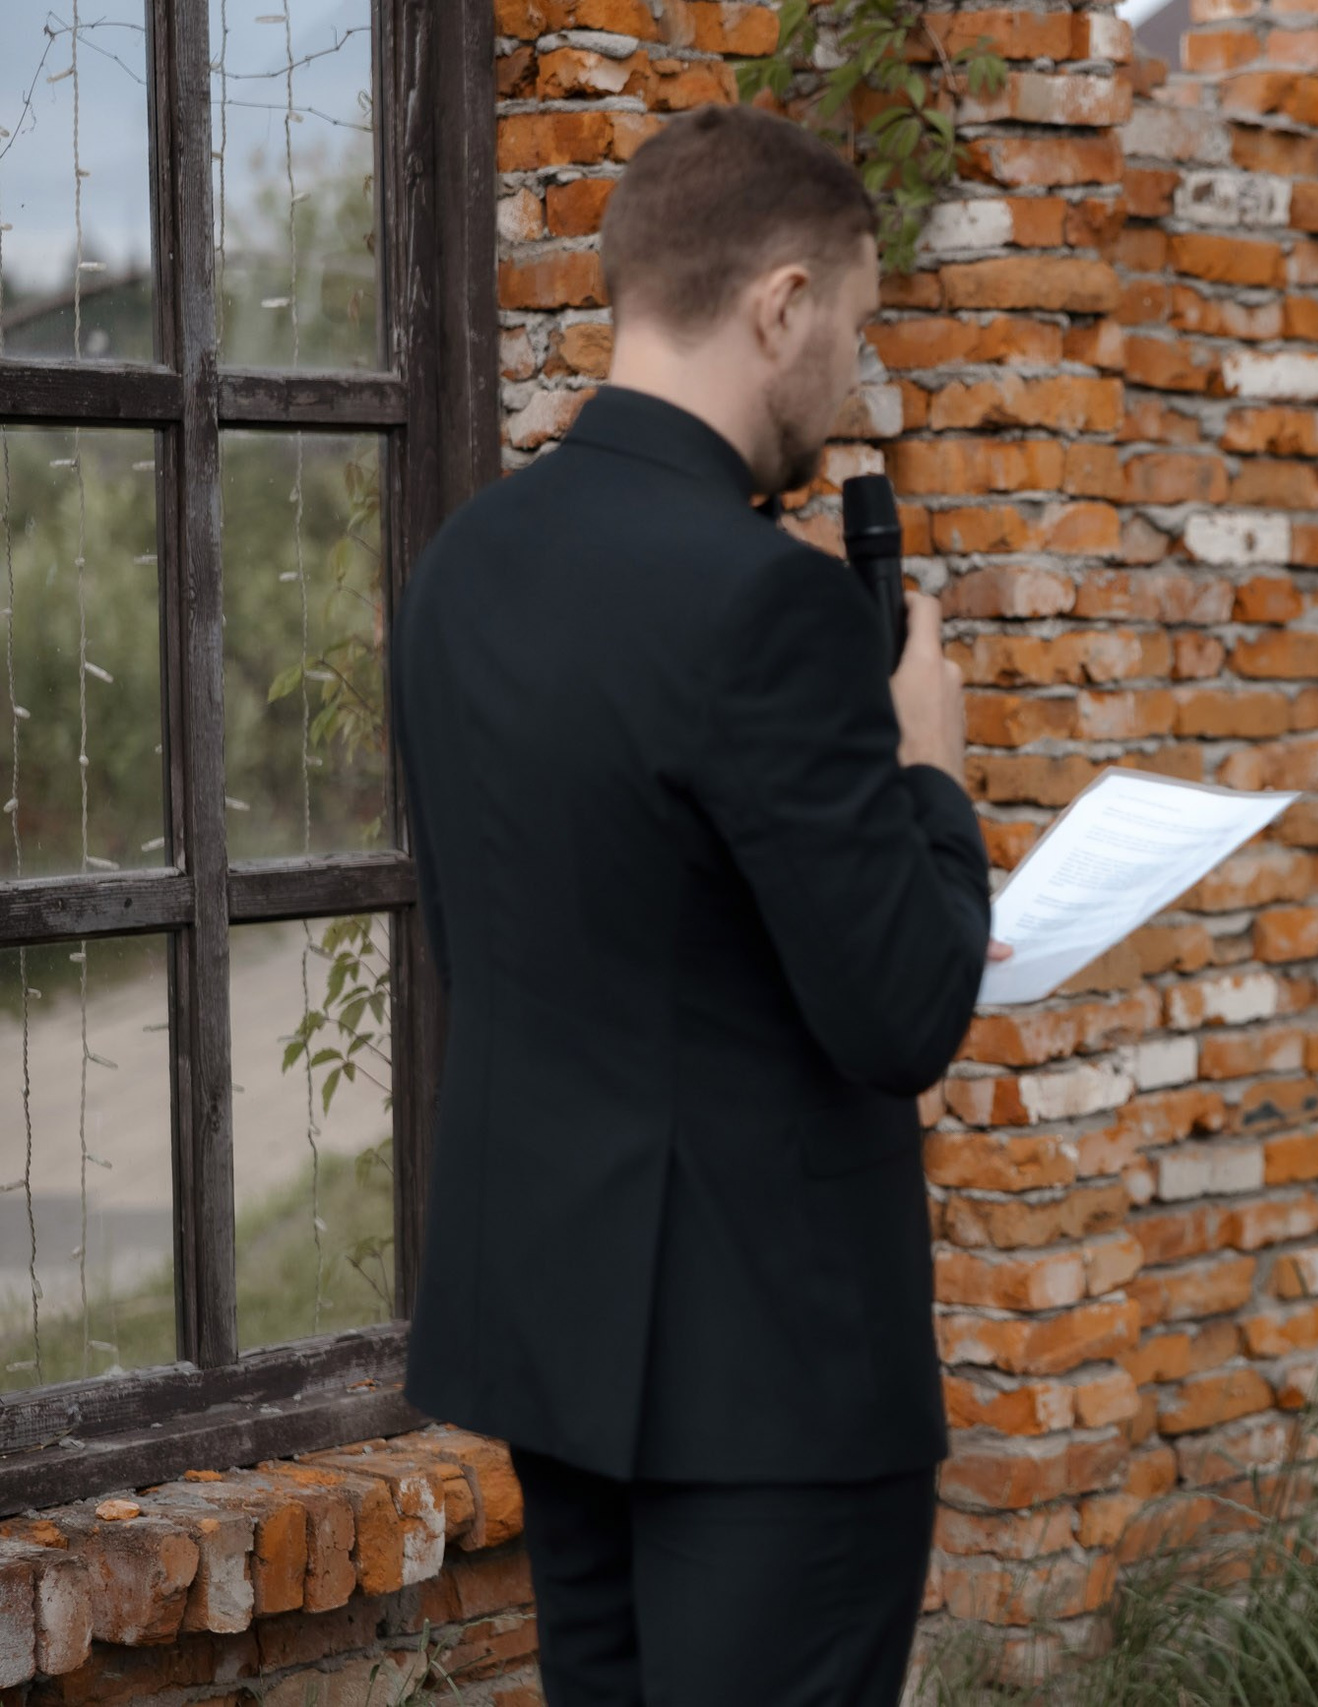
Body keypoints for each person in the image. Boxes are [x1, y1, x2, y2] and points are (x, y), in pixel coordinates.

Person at [391, 106, 991, 1706]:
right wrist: (928, 775)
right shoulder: (767, 603)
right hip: (772, 1371)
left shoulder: (464, 563)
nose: (849, 388)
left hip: (561, 1338)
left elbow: (524, 937)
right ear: (780, 306)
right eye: (851, 334)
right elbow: (901, 1011)